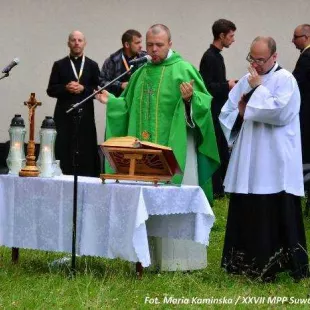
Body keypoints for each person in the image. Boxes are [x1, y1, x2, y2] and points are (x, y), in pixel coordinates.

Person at [97, 24, 220, 271]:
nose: (153, 50)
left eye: (159, 45)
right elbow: (126, 107)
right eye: (150, 45)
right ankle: (146, 259)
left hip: (176, 150)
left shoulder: (183, 69)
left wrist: (189, 101)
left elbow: (204, 105)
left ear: (170, 44)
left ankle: (181, 261)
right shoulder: (140, 73)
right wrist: (112, 103)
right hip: (143, 154)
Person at [219, 36, 309, 282]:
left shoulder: (285, 80)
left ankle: (281, 266)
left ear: (274, 57)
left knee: (275, 212)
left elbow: (280, 113)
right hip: (249, 160)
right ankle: (243, 264)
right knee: (248, 209)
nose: (255, 64)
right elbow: (228, 111)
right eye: (252, 58)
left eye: (261, 59)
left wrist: (258, 89)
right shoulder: (247, 80)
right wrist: (239, 114)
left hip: (275, 163)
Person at [47, 30, 100, 177]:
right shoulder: (59, 65)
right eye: (73, 40)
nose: (76, 43)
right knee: (63, 147)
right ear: (68, 43)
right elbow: (50, 90)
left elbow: (99, 90)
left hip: (85, 117)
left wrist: (83, 89)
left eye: (80, 40)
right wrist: (65, 88)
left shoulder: (92, 65)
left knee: (85, 148)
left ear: (85, 43)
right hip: (64, 115)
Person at [199, 19, 237, 197]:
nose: (233, 39)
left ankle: (221, 187)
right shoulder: (209, 57)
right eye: (231, 35)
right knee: (217, 149)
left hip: (219, 111)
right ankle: (216, 188)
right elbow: (207, 87)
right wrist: (227, 85)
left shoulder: (217, 56)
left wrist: (226, 84)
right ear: (221, 36)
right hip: (213, 112)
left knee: (222, 148)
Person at [99, 29, 147, 97]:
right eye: (137, 43)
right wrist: (120, 85)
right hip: (119, 102)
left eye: (140, 42)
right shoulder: (112, 61)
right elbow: (102, 82)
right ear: (127, 45)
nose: (141, 46)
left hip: (139, 101)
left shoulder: (145, 58)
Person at [292, 24, 310, 164]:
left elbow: (295, 82)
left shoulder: (306, 56)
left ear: (306, 37)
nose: (293, 40)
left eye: (295, 37)